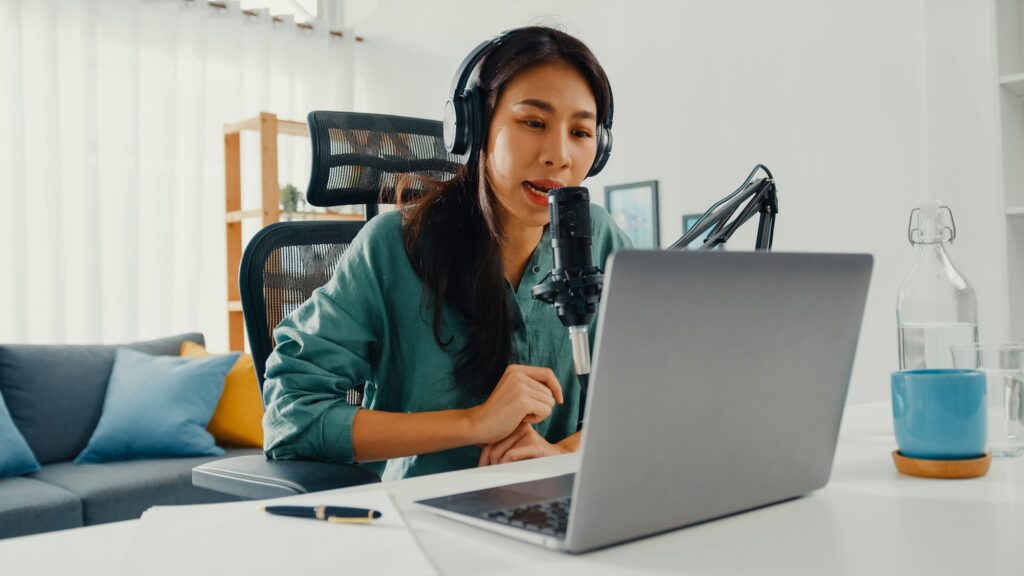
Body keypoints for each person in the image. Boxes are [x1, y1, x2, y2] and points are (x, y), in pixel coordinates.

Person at [262, 26, 633, 480]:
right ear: (474, 127)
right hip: (423, 520)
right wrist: (474, 423)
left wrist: (562, 455)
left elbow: (648, 398)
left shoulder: (600, 238)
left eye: (580, 131)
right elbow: (292, 417)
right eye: (533, 122)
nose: (560, 155)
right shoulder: (391, 248)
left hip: (560, 508)